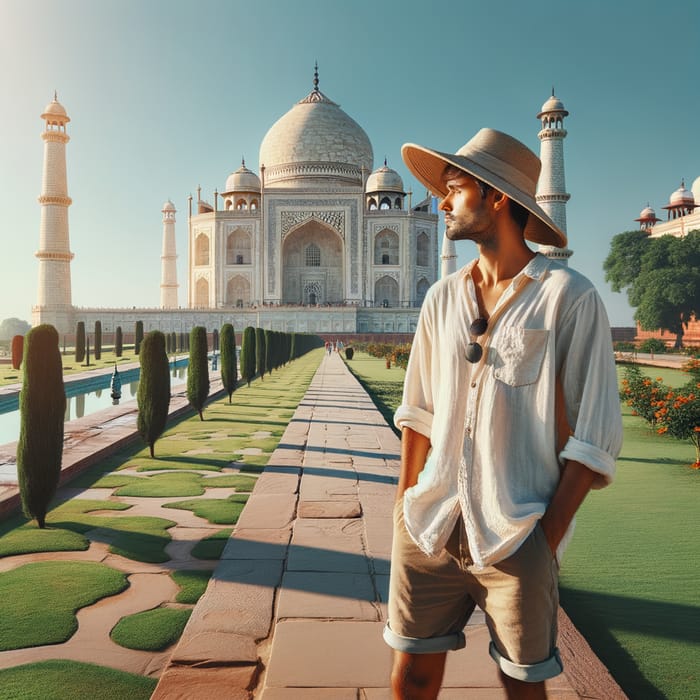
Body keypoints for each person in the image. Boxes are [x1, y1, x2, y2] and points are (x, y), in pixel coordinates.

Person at [383, 128, 623, 699]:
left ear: (495, 197)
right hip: (429, 525)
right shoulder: (442, 298)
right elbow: (417, 414)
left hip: (515, 535)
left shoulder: (568, 296)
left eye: (455, 187)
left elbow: (595, 436)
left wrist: (545, 539)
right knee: (413, 675)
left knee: (522, 687)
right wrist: (401, 511)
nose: (442, 201)